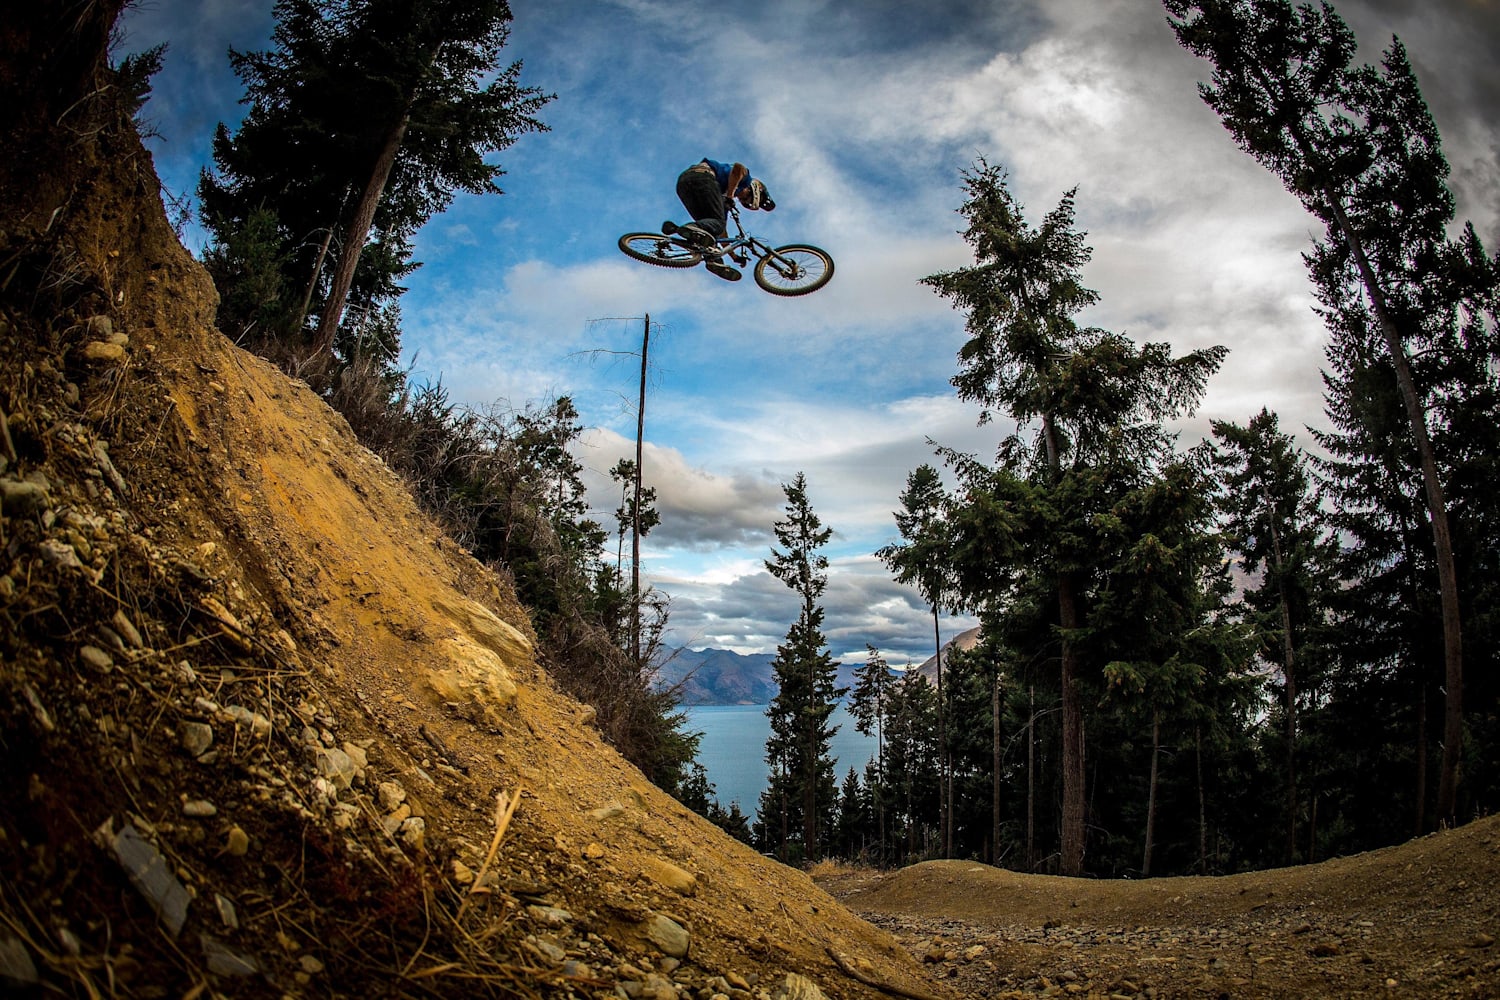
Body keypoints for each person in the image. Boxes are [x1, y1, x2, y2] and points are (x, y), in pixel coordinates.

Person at [663, 158, 775, 281]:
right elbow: (738, 168)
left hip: (684, 184)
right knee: (716, 225)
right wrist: (731, 195)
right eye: (745, 198)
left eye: (743, 201)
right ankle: (694, 230)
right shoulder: (745, 180)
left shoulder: (721, 198)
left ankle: (712, 259)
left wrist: (733, 256)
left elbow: (722, 233)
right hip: (702, 177)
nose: (741, 198)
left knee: (710, 230)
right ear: (753, 190)